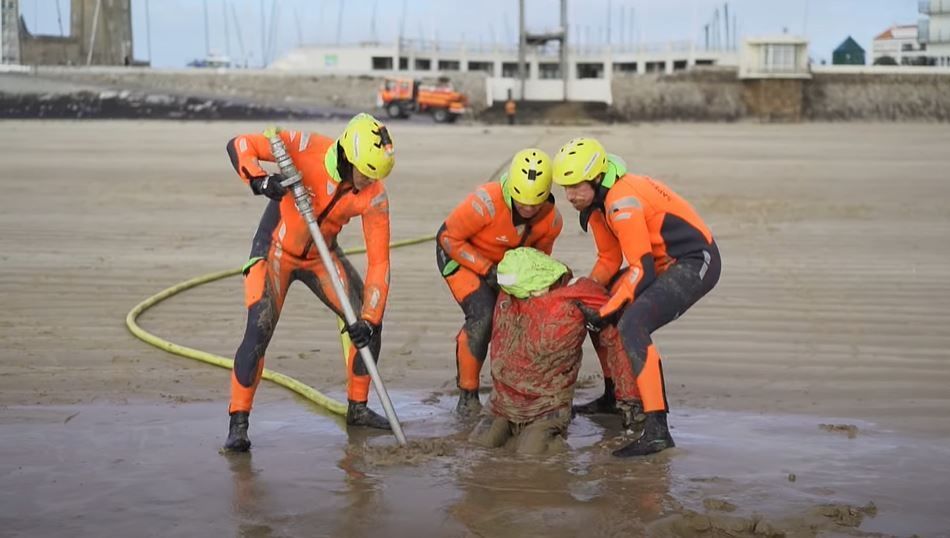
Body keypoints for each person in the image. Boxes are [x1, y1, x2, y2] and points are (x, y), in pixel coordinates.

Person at [222, 113, 396, 452]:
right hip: (274, 250)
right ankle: (238, 423)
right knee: (258, 329)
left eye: (376, 176)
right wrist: (260, 181)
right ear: (347, 156)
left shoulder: (374, 194)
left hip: (321, 257)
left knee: (367, 321)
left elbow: (380, 262)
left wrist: (370, 319)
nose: (368, 183)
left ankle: (357, 408)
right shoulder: (304, 147)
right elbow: (240, 144)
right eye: (366, 173)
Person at [551, 137, 722, 457]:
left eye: (575, 186)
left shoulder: (621, 201)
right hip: (659, 264)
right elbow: (608, 261)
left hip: (695, 261)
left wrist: (609, 309)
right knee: (598, 306)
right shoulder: (597, 203)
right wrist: (584, 293)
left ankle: (658, 431)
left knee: (633, 324)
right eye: (565, 187)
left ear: (596, 177)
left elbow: (640, 269)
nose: (570, 195)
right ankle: (614, 398)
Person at [468, 247, 641, 455]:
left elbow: (614, 341)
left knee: (532, 454)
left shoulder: (579, 294)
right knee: (479, 446)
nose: (526, 297)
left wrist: (629, 400)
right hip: (501, 401)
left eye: (530, 291)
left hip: (546, 405)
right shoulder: (510, 289)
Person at [436, 149, 563, 416]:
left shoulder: (552, 221)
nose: (528, 209)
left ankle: (515, 388)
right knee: (483, 316)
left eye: (534, 204)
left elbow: (537, 260)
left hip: (503, 267)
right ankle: (467, 395)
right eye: (521, 202)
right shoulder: (485, 203)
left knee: (524, 318)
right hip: (460, 255)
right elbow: (448, 238)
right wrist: (485, 269)